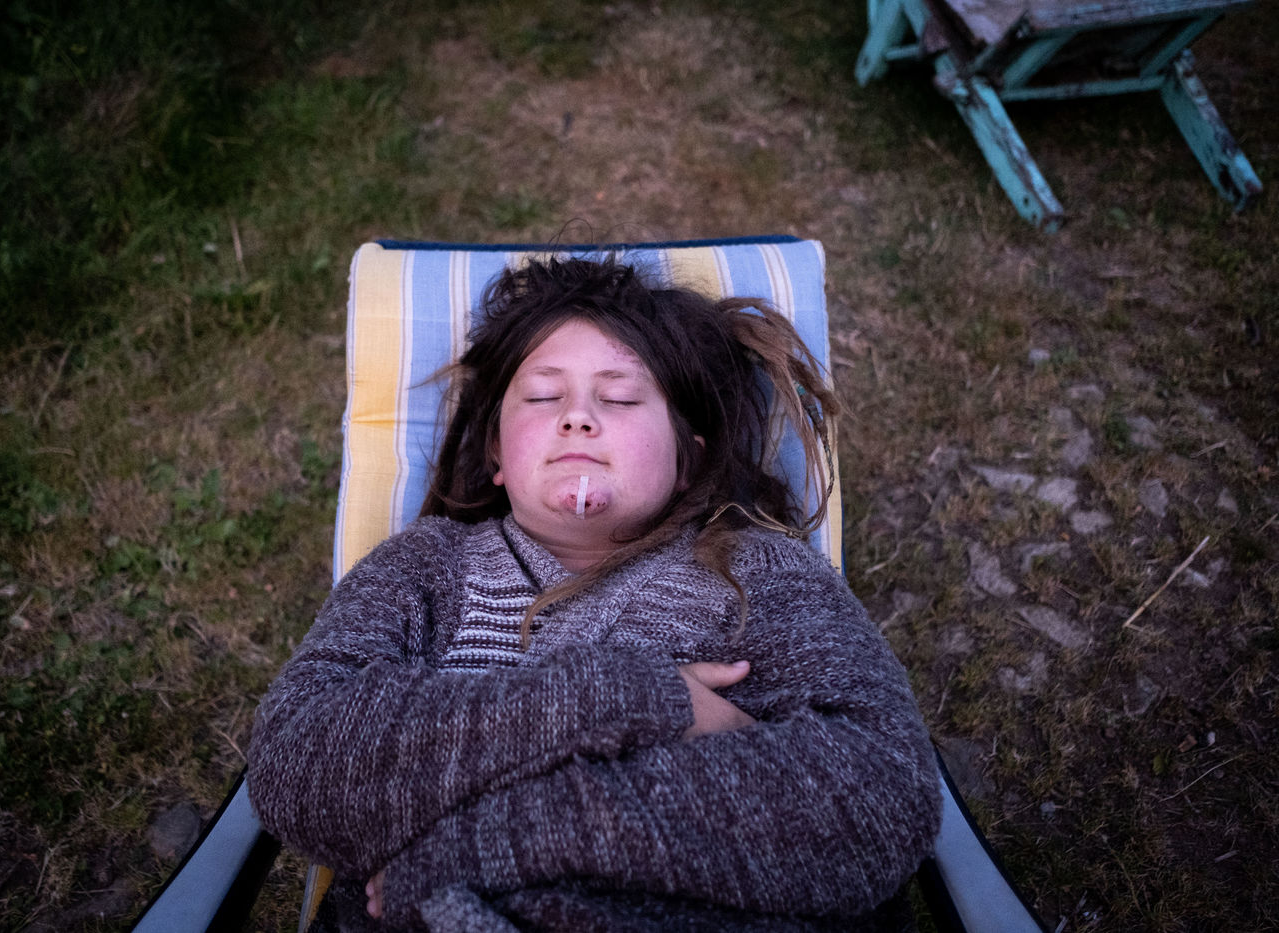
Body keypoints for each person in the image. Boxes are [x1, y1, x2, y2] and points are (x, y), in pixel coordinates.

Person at [247, 256, 941, 932]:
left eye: (620, 397)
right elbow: (294, 762)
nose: (577, 417)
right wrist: (630, 697)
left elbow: (882, 794)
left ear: (688, 458)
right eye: (543, 396)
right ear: (495, 453)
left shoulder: (760, 572)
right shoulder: (424, 569)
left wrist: (489, 843)